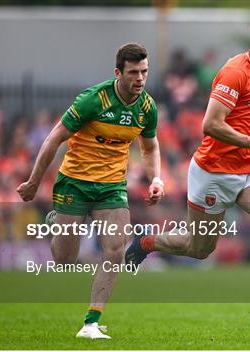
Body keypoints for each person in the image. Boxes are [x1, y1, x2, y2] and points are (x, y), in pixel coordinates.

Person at [126, 11, 250, 331]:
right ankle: (146, 244)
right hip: (213, 172)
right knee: (199, 249)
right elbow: (211, 125)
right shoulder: (235, 72)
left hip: (248, 168)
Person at [17, 43, 164, 339]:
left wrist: (157, 178)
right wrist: (34, 182)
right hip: (75, 182)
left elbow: (150, 147)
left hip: (112, 186)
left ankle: (91, 322)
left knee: (115, 249)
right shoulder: (93, 100)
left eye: (144, 72)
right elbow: (53, 139)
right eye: (133, 72)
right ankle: (56, 222)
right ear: (118, 72)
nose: (140, 78)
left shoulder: (147, 107)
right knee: (65, 260)